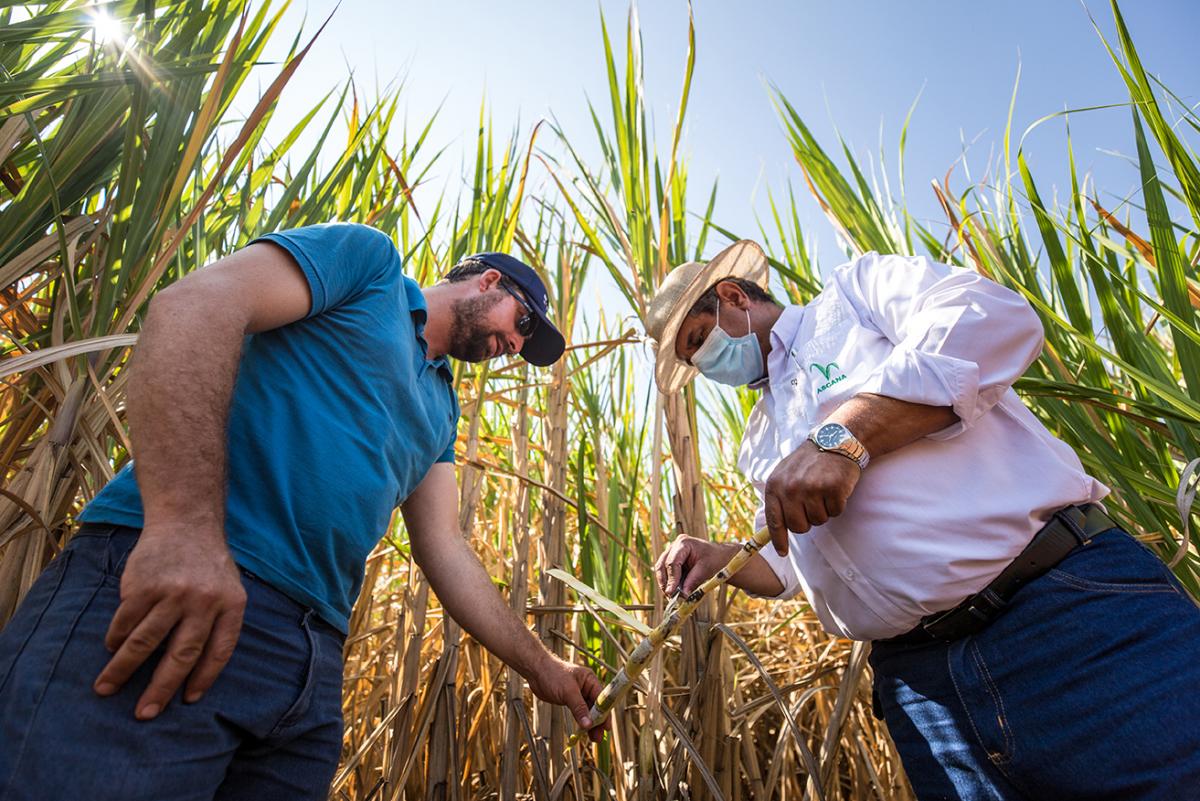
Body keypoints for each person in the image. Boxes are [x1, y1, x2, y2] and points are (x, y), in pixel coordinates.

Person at [0, 223, 604, 800]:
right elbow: (196, 305)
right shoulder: (371, 268)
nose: (515, 345)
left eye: (525, 346)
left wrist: (540, 665)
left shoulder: (442, 408)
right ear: (488, 280)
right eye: (523, 322)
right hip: (195, 587)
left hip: (309, 672)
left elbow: (443, 548)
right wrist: (183, 529)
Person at [647, 240, 1200, 800]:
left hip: (1064, 620)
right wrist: (725, 559)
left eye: (699, 341)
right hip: (923, 691)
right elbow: (799, 568)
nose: (708, 365)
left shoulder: (852, 297)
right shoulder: (759, 440)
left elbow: (992, 318)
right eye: (696, 363)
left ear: (733, 296)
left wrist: (844, 436)